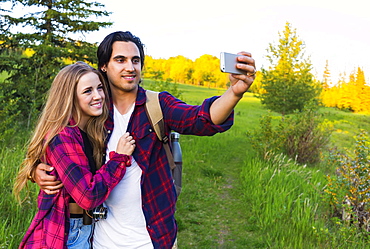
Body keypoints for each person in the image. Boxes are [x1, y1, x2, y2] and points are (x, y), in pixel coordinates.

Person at [33, 31, 256, 248]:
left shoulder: (157, 105)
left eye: (136, 60)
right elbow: (57, 145)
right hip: (100, 239)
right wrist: (36, 170)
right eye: (120, 60)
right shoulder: (93, 109)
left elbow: (202, 119)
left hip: (152, 239)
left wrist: (234, 93)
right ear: (104, 66)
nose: (130, 67)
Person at [14, 62, 136, 248]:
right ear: (69, 97)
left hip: (90, 228)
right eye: (88, 91)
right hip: (68, 231)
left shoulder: (93, 128)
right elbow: (88, 195)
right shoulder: (62, 135)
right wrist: (119, 159)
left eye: (100, 88)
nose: (98, 96)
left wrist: (34, 169)